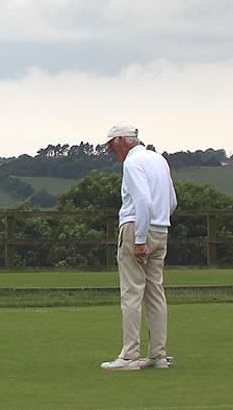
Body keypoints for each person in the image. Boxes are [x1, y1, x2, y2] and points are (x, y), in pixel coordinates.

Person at [100, 122, 177, 371]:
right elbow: (172, 200)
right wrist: (157, 225)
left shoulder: (132, 163)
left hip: (137, 229)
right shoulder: (158, 160)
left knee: (132, 292)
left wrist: (141, 239)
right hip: (161, 229)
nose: (112, 152)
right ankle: (157, 355)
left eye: (112, 145)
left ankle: (130, 356)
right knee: (155, 292)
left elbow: (142, 199)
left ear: (123, 140)